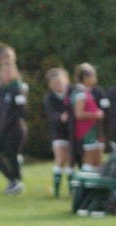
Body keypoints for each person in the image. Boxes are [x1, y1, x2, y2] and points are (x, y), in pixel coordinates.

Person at [0, 58, 28, 195]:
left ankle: (16, 182)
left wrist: (8, 123)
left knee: (11, 156)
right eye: (3, 72)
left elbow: (21, 111)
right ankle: (13, 180)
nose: (6, 74)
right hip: (3, 129)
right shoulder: (3, 89)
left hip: (14, 129)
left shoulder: (17, 88)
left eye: (9, 71)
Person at [43, 67, 73, 197]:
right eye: (55, 83)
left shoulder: (73, 93)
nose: (59, 85)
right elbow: (51, 115)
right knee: (60, 159)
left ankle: (72, 189)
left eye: (60, 81)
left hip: (72, 131)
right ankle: (56, 191)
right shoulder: (49, 98)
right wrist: (60, 117)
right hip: (58, 132)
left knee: (71, 160)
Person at [71, 63, 106, 171]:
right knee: (89, 160)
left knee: (97, 161)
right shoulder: (80, 93)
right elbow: (79, 114)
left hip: (93, 131)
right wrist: (95, 114)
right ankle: (85, 181)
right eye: (93, 75)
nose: (95, 78)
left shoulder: (86, 91)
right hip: (86, 131)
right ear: (86, 78)